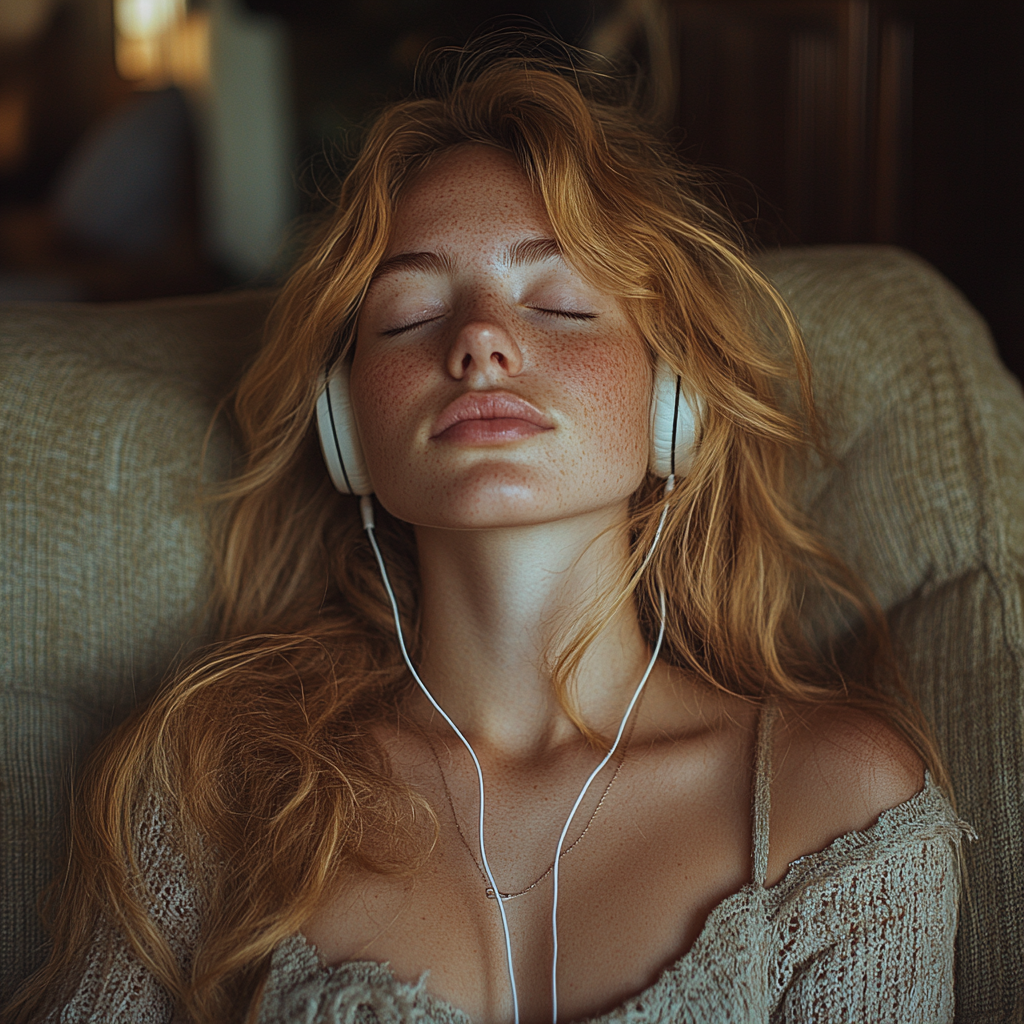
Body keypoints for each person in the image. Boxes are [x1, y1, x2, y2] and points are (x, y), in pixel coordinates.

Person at [4, 39, 973, 1024]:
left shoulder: (839, 803)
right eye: (410, 313)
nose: (478, 340)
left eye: (556, 302)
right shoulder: (221, 787)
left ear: (671, 400)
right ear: (347, 431)